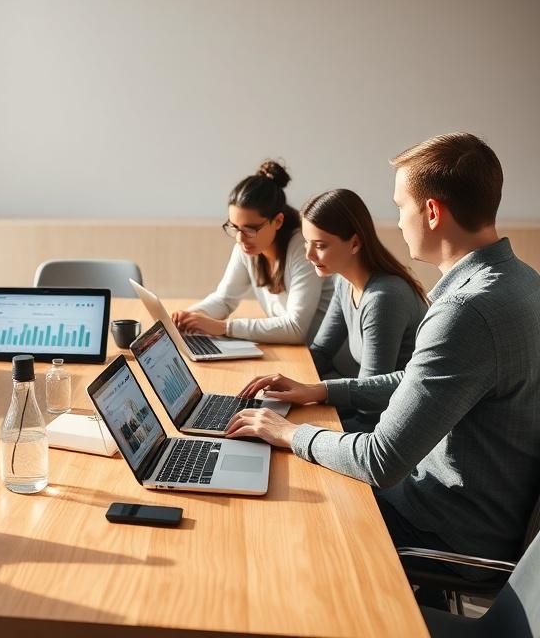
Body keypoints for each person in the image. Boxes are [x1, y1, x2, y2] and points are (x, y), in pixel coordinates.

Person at [226, 134, 540, 601]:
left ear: (431, 213)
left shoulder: (466, 310)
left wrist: (288, 433)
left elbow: (380, 460)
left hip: (448, 529)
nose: (397, 222)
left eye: (400, 207)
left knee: (280, 512)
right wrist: (323, 393)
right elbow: (420, 381)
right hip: (478, 508)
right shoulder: (520, 280)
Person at [300, 188, 428, 431]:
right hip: (371, 410)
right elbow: (322, 351)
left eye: (320, 245)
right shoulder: (343, 281)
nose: (308, 254)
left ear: (355, 243)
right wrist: (284, 385)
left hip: (396, 424)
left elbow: (371, 408)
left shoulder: (384, 298)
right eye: (306, 243)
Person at [173, 160, 333, 344]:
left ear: (278, 221)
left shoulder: (303, 249)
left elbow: (296, 329)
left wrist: (224, 328)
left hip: (318, 359)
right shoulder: (246, 247)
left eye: (250, 229)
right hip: (293, 350)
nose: (240, 238)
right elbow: (224, 300)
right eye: (234, 227)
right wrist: (189, 316)